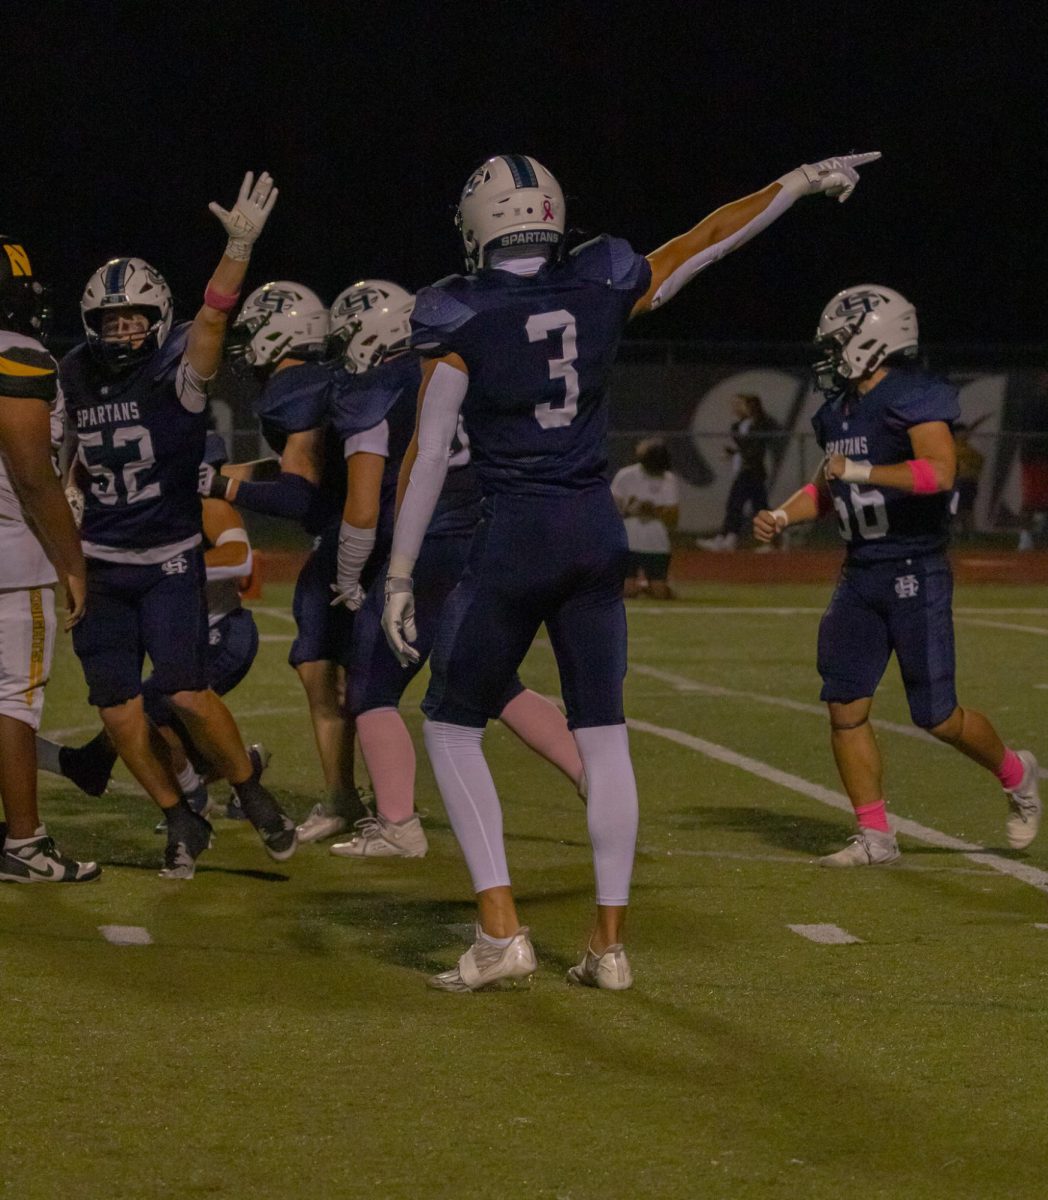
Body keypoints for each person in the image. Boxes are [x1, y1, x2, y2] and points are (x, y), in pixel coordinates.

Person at [382, 149, 880, 990]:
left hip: (514, 532)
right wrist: (794, 183)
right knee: (604, 735)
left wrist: (397, 573)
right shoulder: (603, 278)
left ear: (477, 224)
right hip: (592, 528)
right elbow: (709, 239)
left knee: (451, 723)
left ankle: (500, 932)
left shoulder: (456, 311)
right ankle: (607, 946)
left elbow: (430, 453)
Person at [62, 171, 297, 880]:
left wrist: (238, 254)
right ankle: (178, 817)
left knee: (188, 693)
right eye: (111, 319)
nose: (123, 329)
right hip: (100, 561)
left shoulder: (178, 371)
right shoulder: (73, 374)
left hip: (167, 559)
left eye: (134, 316)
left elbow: (216, 319)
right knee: (117, 710)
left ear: (158, 317)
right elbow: (66, 457)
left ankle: (251, 794)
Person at [754, 285, 1040, 865]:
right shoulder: (834, 411)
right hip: (859, 572)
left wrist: (860, 467)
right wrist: (785, 513)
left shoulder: (915, 395)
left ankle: (1017, 774)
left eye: (838, 344)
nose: (831, 356)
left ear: (872, 339)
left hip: (916, 568)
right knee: (845, 705)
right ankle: (876, 836)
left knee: (937, 716)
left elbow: (941, 472)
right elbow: (828, 487)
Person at [326, 280, 586, 858]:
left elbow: (364, 507)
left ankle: (398, 823)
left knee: (371, 681)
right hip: (487, 533)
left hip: (430, 546)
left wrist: (348, 576)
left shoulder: (371, 393)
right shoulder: (454, 364)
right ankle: (597, 780)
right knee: (491, 680)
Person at [207, 281, 369, 842]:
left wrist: (224, 489)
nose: (244, 347)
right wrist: (225, 477)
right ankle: (369, 801)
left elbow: (300, 494)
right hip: (380, 532)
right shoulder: (326, 381)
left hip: (348, 542)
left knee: (323, 672)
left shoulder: (293, 387)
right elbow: (302, 470)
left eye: (251, 334)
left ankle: (344, 799)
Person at [39, 434, 265, 817]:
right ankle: (230, 773)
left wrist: (167, 568)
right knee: (147, 718)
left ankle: (195, 797)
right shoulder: (156, 513)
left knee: (151, 714)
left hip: (222, 634)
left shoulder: (208, 505)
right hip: (196, 632)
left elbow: (241, 559)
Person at [0, 236, 97, 882]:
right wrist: (73, 561)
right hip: (13, 556)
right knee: (15, 699)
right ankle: (25, 843)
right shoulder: (20, 354)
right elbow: (33, 475)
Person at [698, 393, 779, 551]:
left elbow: (754, 448)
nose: (735, 408)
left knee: (739, 504)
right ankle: (731, 537)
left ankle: (730, 537)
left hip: (752, 471)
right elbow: (744, 447)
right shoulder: (738, 425)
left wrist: (738, 451)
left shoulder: (760, 424)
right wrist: (734, 452)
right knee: (754, 506)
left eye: (740, 404)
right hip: (743, 469)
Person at [610, 437, 679, 597]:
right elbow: (611, 508)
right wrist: (631, 510)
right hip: (629, 540)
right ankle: (640, 585)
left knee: (660, 593)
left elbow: (674, 516)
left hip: (656, 542)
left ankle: (652, 585)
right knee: (626, 591)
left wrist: (653, 510)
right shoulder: (626, 475)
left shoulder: (668, 479)